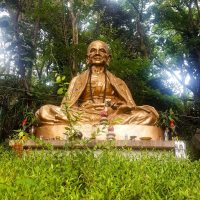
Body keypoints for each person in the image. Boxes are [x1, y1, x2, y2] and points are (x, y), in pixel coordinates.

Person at [36, 40, 159, 126]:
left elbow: (131, 106)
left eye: (102, 51)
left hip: (112, 115)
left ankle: (94, 125)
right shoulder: (77, 80)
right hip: (83, 115)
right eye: (93, 50)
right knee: (45, 111)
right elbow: (66, 106)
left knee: (149, 114)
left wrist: (117, 108)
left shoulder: (118, 82)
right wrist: (83, 108)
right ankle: (91, 125)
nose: (97, 53)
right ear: (87, 58)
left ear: (108, 57)